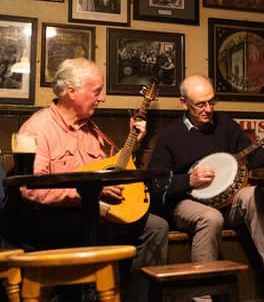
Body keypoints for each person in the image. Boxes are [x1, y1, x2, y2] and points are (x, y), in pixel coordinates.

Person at [16, 58, 168, 302]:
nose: (103, 98)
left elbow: (111, 171)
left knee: (156, 227)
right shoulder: (38, 129)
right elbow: (31, 190)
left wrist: (133, 144)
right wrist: (88, 194)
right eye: (97, 91)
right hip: (54, 217)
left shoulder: (92, 130)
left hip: (95, 212)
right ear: (71, 92)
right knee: (97, 228)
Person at [148, 74, 264, 302]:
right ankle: (202, 297)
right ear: (183, 103)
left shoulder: (225, 125)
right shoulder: (170, 136)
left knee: (252, 194)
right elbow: (156, 186)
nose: (208, 109)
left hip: (228, 202)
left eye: (211, 102)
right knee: (210, 217)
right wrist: (188, 181)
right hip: (187, 203)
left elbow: (255, 161)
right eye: (200, 104)